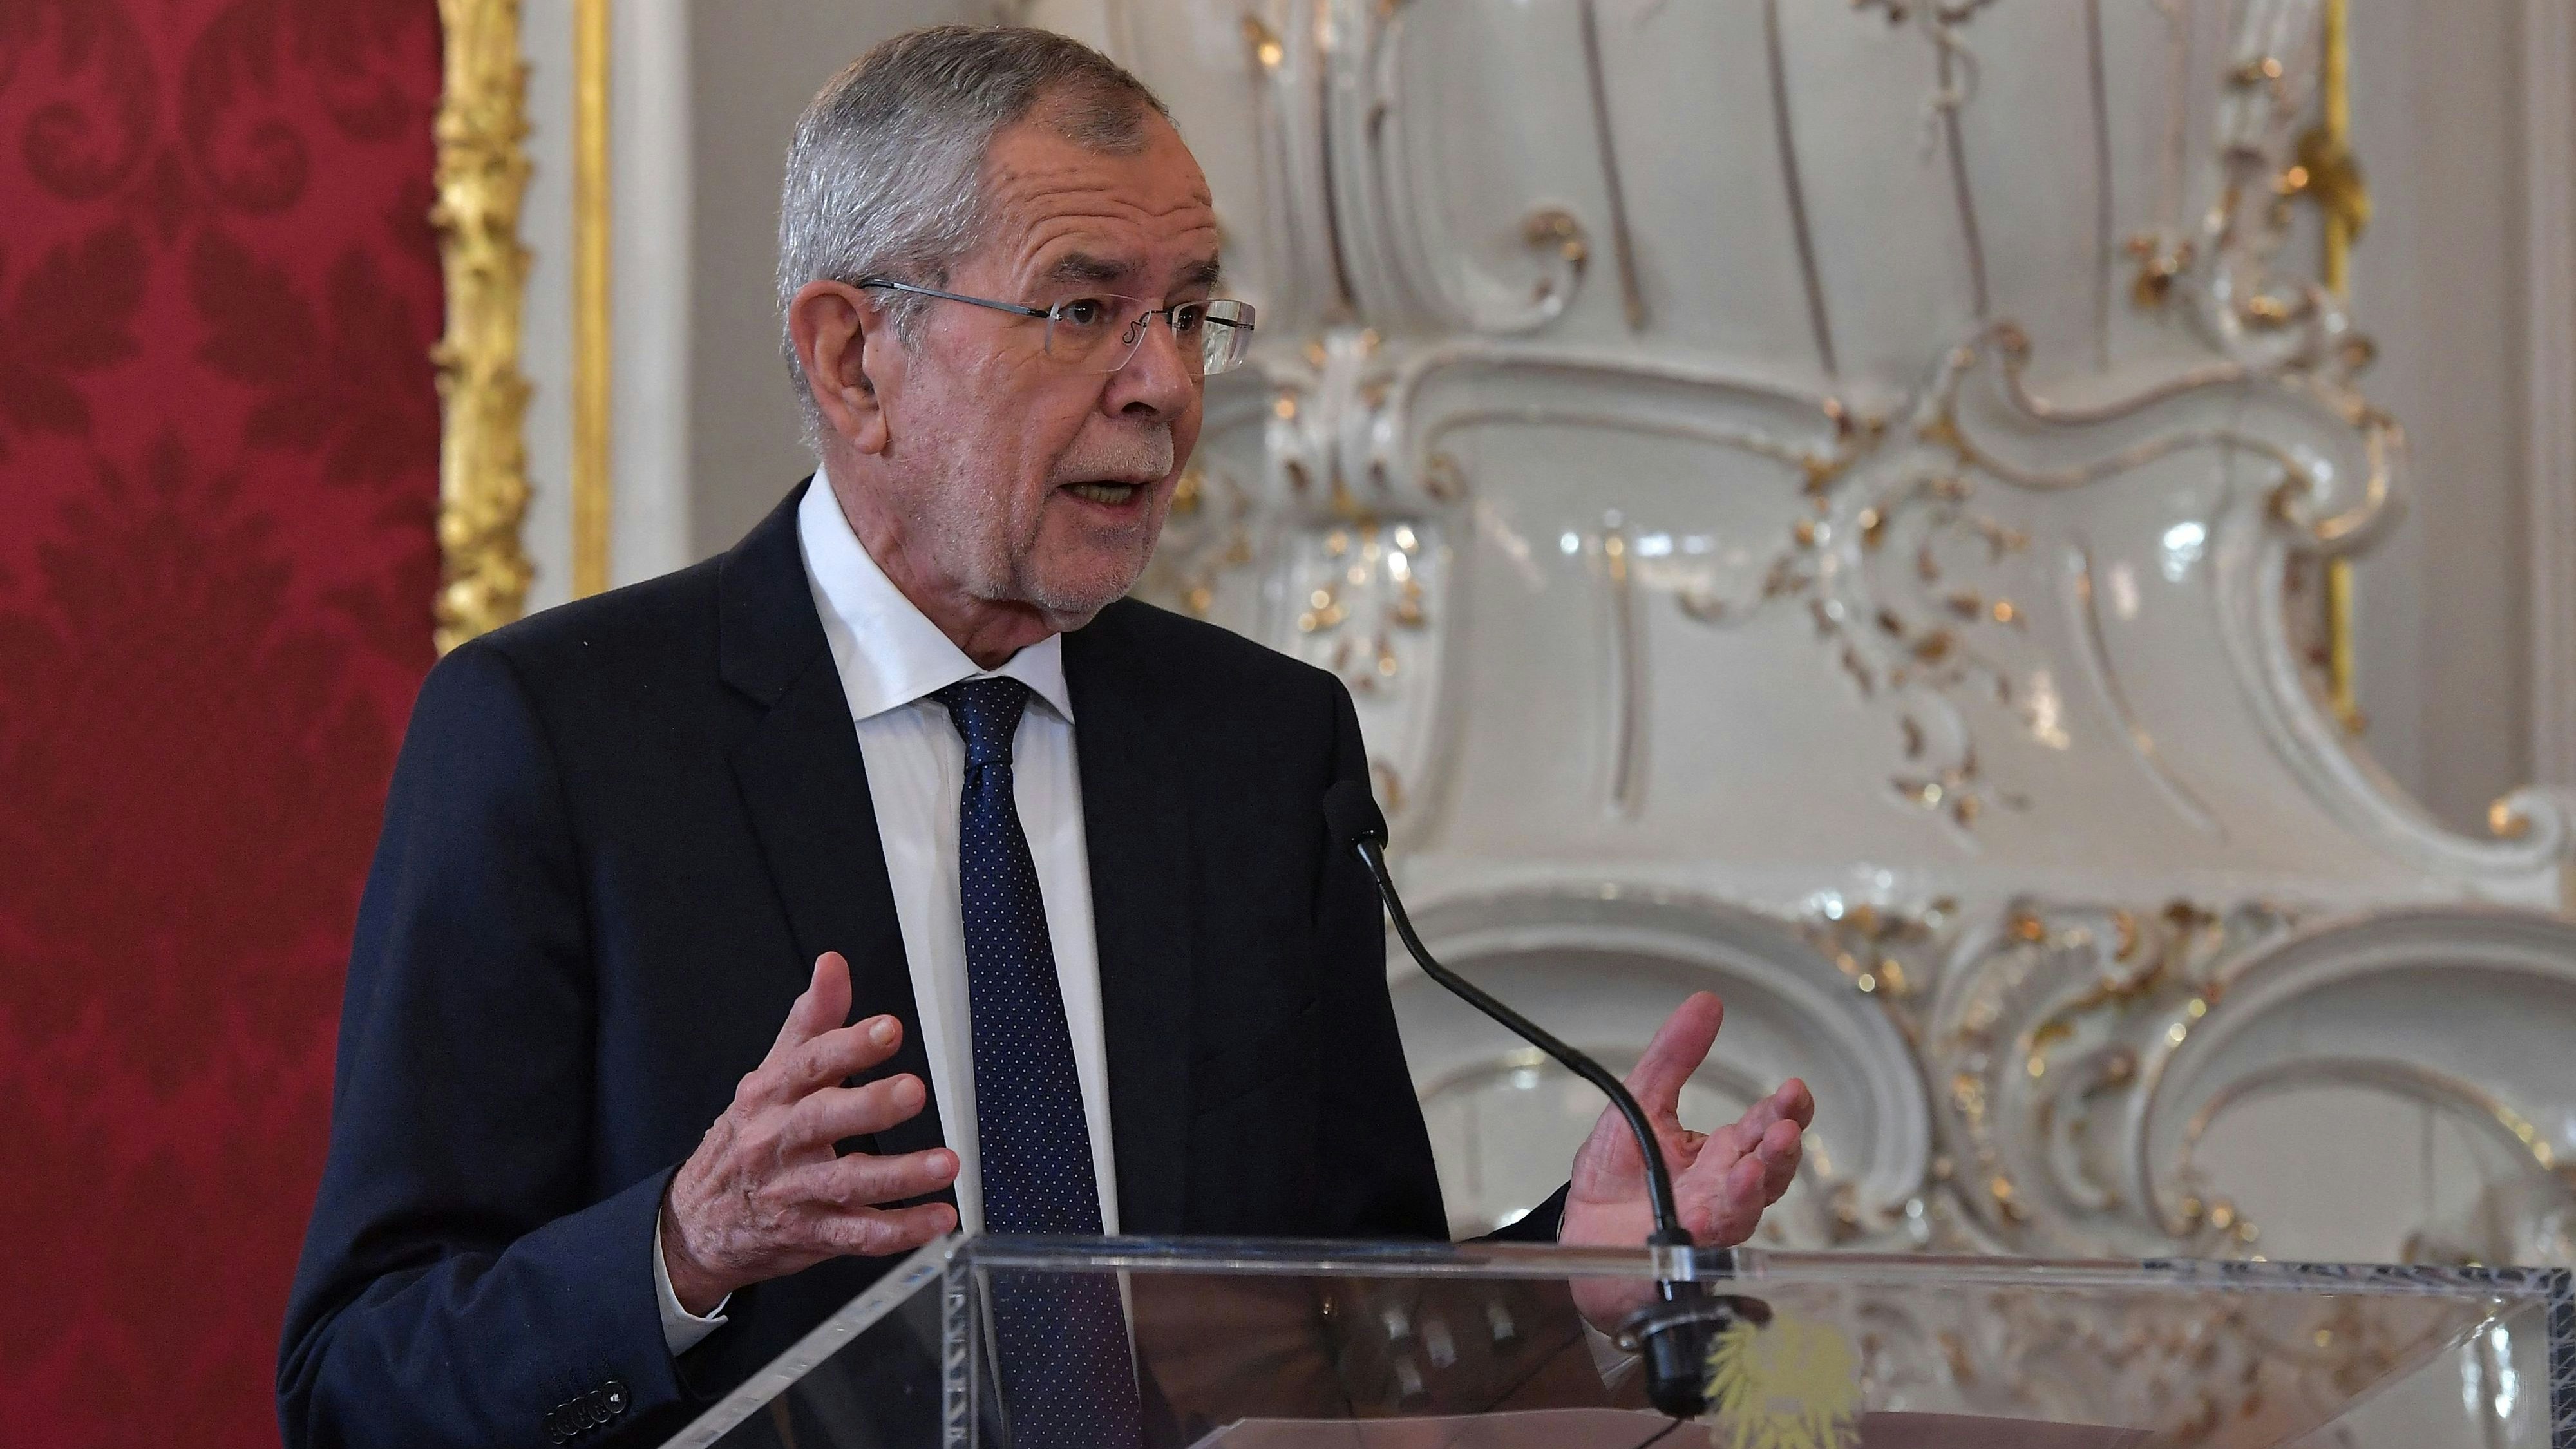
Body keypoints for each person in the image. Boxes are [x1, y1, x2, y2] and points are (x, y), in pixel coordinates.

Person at [278, 25, 1811, 1449]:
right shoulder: (564, 740)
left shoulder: (1260, 751)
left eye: (1189, 314)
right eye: (1082, 309)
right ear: (852, 360)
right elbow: (360, 1379)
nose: (1160, 388)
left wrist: (1568, 1272)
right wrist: (682, 1248)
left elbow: (1341, 1344)